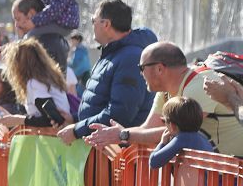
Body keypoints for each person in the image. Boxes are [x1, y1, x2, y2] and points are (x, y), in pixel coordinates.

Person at [84, 42, 243, 159]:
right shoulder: (166, 92)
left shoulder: (201, 83)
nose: (140, 74)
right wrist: (119, 134)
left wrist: (123, 135)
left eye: (141, 68)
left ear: (159, 68)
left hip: (233, 173)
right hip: (218, 172)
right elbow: (149, 128)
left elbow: (178, 131)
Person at [55, 0, 157, 146]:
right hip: (105, 150)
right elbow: (100, 104)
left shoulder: (129, 57)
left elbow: (119, 114)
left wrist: (77, 130)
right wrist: (74, 119)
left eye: (93, 20)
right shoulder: (112, 54)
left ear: (106, 24)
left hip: (118, 156)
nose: (92, 25)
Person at [0, 38, 73, 130]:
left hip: (54, 138)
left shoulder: (35, 83)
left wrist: (19, 120)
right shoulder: (46, 78)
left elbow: (50, 120)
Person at [148, 96, 215, 169]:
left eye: (164, 121)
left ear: (172, 125)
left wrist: (162, 143)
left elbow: (154, 162)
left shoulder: (182, 139)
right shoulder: (203, 138)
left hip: (198, 180)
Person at [10, 0, 69, 73]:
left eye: (18, 19)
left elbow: (26, 75)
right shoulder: (49, 38)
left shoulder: (46, 42)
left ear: (32, 14)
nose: (16, 25)